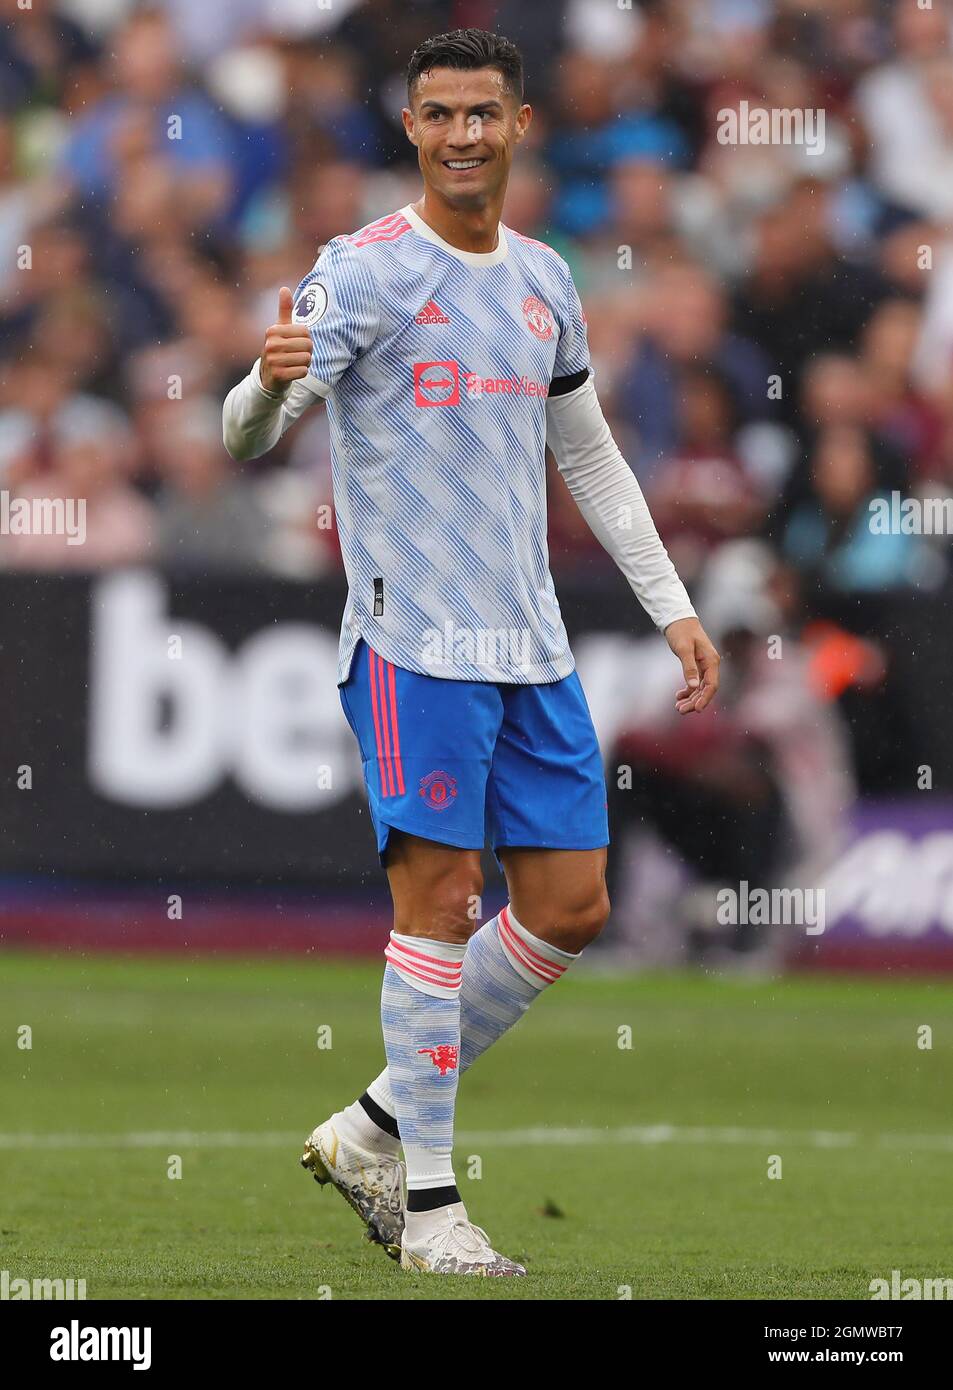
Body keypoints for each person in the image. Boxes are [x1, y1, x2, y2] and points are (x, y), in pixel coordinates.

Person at [222, 27, 719, 1278]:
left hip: (531, 641)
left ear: (517, 124)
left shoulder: (545, 276)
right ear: (411, 128)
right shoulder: (365, 270)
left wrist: (668, 602)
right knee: (438, 903)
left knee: (570, 906)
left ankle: (371, 1125)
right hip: (412, 639)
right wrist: (267, 386)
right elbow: (246, 432)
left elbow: (589, 455)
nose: (460, 136)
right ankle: (433, 1210)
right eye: (437, 114)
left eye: (480, 114)